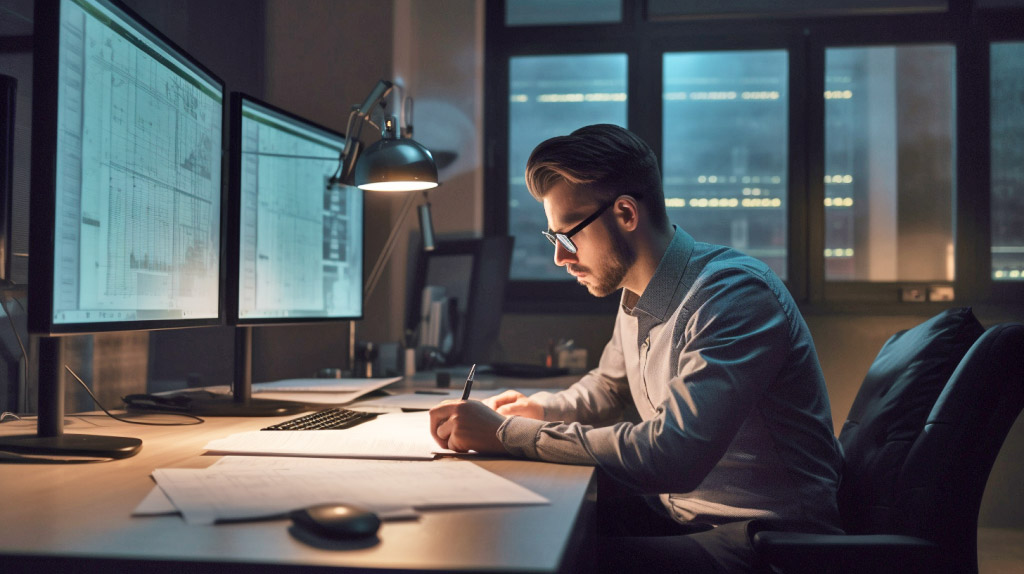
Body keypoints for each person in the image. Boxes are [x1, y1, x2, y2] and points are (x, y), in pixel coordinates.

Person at [429, 124, 842, 573]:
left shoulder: (733, 296)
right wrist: (538, 411)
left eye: (568, 236)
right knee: (508, 526)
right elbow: (608, 389)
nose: (560, 258)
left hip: (763, 542)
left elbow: (673, 454)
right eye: (554, 239)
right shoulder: (635, 293)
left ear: (626, 213)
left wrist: (506, 435)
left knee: (529, 556)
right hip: (681, 514)